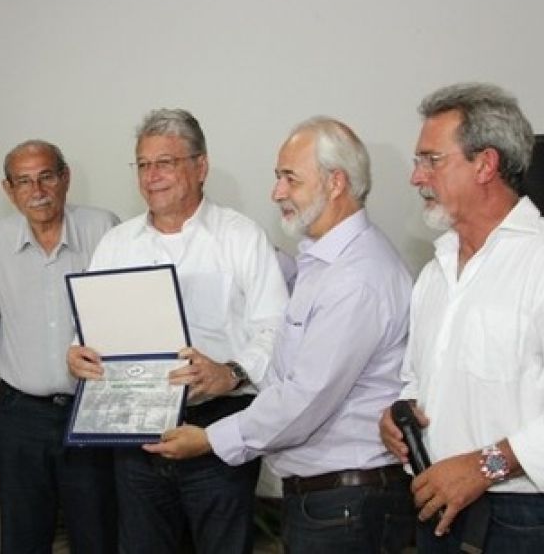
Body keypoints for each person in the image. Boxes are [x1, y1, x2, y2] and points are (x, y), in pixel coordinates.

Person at [146, 117, 417, 553]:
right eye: (278, 177)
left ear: (336, 183)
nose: (276, 192)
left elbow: (305, 398)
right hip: (330, 497)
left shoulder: (357, 278)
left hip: (347, 504)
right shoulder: (321, 262)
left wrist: (211, 438)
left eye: (290, 178)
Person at [68, 108, 289, 553]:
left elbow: (278, 329)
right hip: (135, 432)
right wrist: (78, 353)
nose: (152, 176)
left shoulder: (241, 237)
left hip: (217, 429)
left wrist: (231, 372)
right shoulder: (117, 243)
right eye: (143, 165)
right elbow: (91, 327)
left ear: (200, 166)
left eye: (165, 163)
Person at [379, 82, 544, 552]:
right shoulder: (435, 272)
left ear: (485, 164)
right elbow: (414, 379)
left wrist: (484, 466)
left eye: (431, 160)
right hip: (437, 506)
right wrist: (398, 414)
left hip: (522, 518)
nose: (416, 178)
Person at [0, 139, 119, 553]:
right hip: (20, 416)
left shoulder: (104, 229)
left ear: (65, 178)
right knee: (22, 537)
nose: (37, 190)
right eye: (23, 181)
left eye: (46, 177)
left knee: (96, 534)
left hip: (91, 413)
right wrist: (20, 367)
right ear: (8, 190)